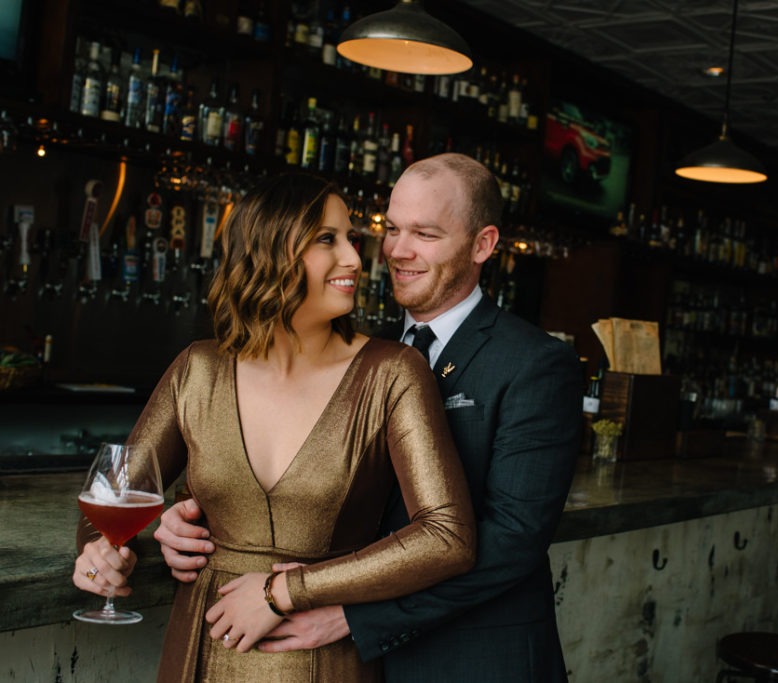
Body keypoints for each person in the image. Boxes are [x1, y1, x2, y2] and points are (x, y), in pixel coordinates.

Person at [156, 153, 583, 681]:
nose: (396, 251)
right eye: (391, 228)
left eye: (424, 234)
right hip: (350, 664)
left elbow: (513, 539)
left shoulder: (536, 363)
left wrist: (354, 614)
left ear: (483, 245)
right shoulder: (359, 346)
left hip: (469, 658)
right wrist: (187, 516)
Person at [71, 173, 476, 683]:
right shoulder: (198, 370)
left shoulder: (392, 372)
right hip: (199, 649)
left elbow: (448, 537)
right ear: (270, 251)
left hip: (322, 656)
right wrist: (101, 554)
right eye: (327, 239)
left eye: (352, 238)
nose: (355, 258)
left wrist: (288, 590)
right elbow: (111, 497)